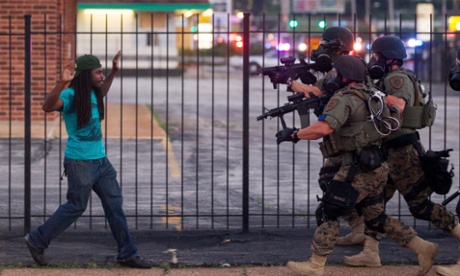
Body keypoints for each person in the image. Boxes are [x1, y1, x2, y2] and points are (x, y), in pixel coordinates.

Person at [276, 55, 438, 276]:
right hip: (378, 165)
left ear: (343, 76)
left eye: (335, 73)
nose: (332, 77)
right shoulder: (375, 95)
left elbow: (323, 128)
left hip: (358, 168)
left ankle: (315, 266)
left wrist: (294, 134)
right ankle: (422, 247)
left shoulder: (344, 98)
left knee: (329, 209)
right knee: (375, 218)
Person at [340, 36, 459, 276]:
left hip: (403, 153)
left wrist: (368, 93)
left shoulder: (397, 78)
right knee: (374, 202)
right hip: (392, 150)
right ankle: (371, 253)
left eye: (376, 57)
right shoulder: (390, 78)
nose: (373, 61)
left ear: (387, 58)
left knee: (421, 206)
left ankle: (438, 241)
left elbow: (399, 104)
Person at [24, 51, 153, 268]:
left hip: (101, 161)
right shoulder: (71, 95)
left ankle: (127, 253)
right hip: (80, 162)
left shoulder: (92, 93)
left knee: (115, 206)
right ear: (85, 75)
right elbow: (47, 107)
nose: (101, 76)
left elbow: (102, 92)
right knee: (76, 206)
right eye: (98, 72)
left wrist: (113, 72)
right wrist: (62, 82)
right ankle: (36, 240)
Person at [271, 26, 368, 246]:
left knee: (341, 192)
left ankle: (357, 237)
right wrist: (290, 81)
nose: (321, 50)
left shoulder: (355, 67)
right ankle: (360, 229)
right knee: (329, 180)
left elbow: (339, 98)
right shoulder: (336, 70)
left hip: (356, 137)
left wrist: (296, 134)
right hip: (342, 135)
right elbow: (317, 91)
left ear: (338, 47)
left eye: (325, 45)